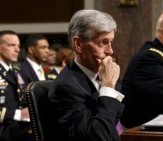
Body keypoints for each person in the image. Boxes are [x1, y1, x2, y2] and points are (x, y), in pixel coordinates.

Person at [48, 9, 125, 141]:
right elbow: (98, 137)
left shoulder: (103, 75)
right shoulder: (66, 87)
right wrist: (107, 88)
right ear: (78, 44)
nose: (110, 51)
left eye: (111, 42)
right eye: (103, 42)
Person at [0, 30, 32, 141]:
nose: (17, 50)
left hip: (18, 130)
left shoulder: (16, 70)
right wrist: (18, 114)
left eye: (18, 46)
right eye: (12, 45)